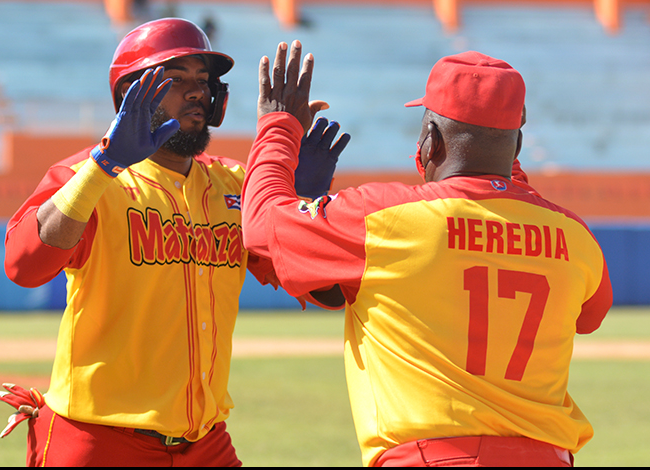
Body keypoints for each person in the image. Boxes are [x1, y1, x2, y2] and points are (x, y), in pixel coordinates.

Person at [241, 43, 613, 467]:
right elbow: (591, 315)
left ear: (430, 140)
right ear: (518, 144)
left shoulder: (384, 217)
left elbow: (261, 224)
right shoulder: (575, 235)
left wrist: (277, 124)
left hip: (430, 458)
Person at [0, 19, 338, 467]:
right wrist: (105, 165)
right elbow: (24, 265)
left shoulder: (236, 183)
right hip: (99, 441)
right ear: (131, 95)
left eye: (203, 82)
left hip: (206, 444)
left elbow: (319, 288)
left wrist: (304, 209)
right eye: (175, 80)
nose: (197, 92)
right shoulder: (87, 177)